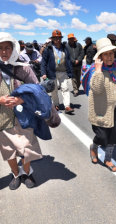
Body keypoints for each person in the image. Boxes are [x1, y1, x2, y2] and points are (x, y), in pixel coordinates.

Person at [0, 32, 42, 190]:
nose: (4, 52)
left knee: (26, 147)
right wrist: (1, 100)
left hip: (24, 116)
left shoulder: (23, 68)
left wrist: (21, 100)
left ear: (13, 49)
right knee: (8, 150)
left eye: (7, 48)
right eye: (0, 48)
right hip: (2, 118)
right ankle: (16, 174)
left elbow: (37, 90)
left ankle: (27, 172)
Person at [88, 37, 116, 172]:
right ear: (100, 56)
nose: (109, 56)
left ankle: (107, 159)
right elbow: (97, 88)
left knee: (113, 138)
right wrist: (98, 71)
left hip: (115, 110)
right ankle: (94, 147)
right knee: (102, 136)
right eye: (106, 54)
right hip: (100, 111)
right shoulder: (95, 70)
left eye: (111, 53)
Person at [41, 29, 74, 114]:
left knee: (65, 88)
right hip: (52, 72)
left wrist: (70, 72)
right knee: (54, 90)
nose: (57, 40)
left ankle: (67, 106)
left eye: (59, 38)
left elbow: (68, 60)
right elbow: (44, 61)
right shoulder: (48, 49)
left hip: (63, 72)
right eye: (55, 38)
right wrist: (43, 73)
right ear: (52, 39)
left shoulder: (65, 48)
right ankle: (56, 105)